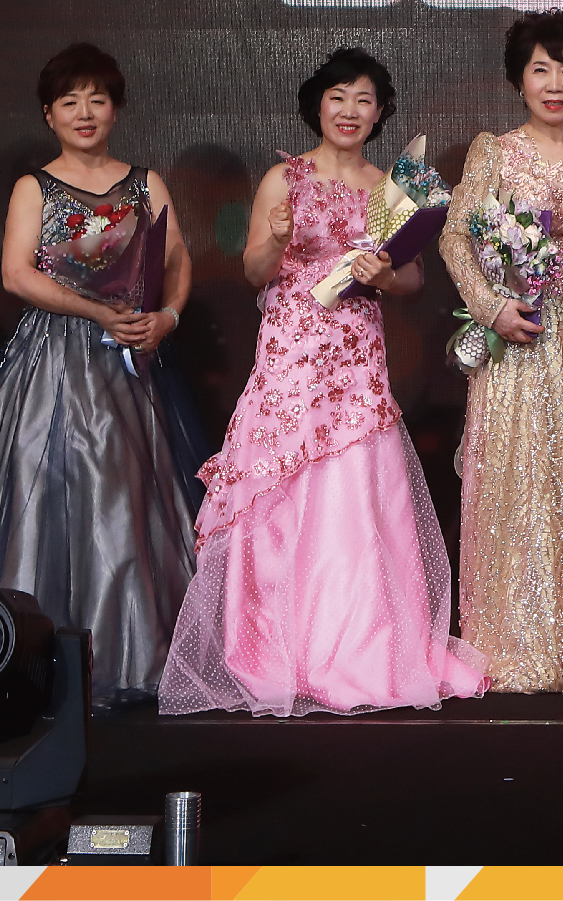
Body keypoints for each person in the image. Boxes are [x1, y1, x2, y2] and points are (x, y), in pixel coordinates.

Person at [161, 48, 487, 716]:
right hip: (291, 355)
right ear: (318, 105)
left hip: (356, 357)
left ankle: (359, 644)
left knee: (357, 494)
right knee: (281, 490)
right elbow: (254, 270)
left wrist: (385, 274)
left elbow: (412, 276)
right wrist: (277, 239)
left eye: (363, 100)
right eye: (338, 97)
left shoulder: (390, 188)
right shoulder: (284, 179)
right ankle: (277, 648)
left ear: (379, 112)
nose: (349, 111)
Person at [0, 43, 196, 707]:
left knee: (122, 499)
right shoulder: (33, 186)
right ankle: (30, 658)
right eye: (70, 101)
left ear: (115, 108)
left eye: (97, 99)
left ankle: (125, 650)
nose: (85, 112)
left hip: (126, 359)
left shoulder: (145, 183)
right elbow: (16, 274)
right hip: (51, 360)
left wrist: (168, 316)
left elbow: (177, 258)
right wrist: (95, 310)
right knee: (45, 494)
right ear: (49, 113)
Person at [441, 11, 563, 693]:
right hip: (514, 329)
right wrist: (489, 306)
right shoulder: (494, 151)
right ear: (519, 80)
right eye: (540, 70)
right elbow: (454, 237)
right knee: (512, 474)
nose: (554, 84)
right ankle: (506, 642)